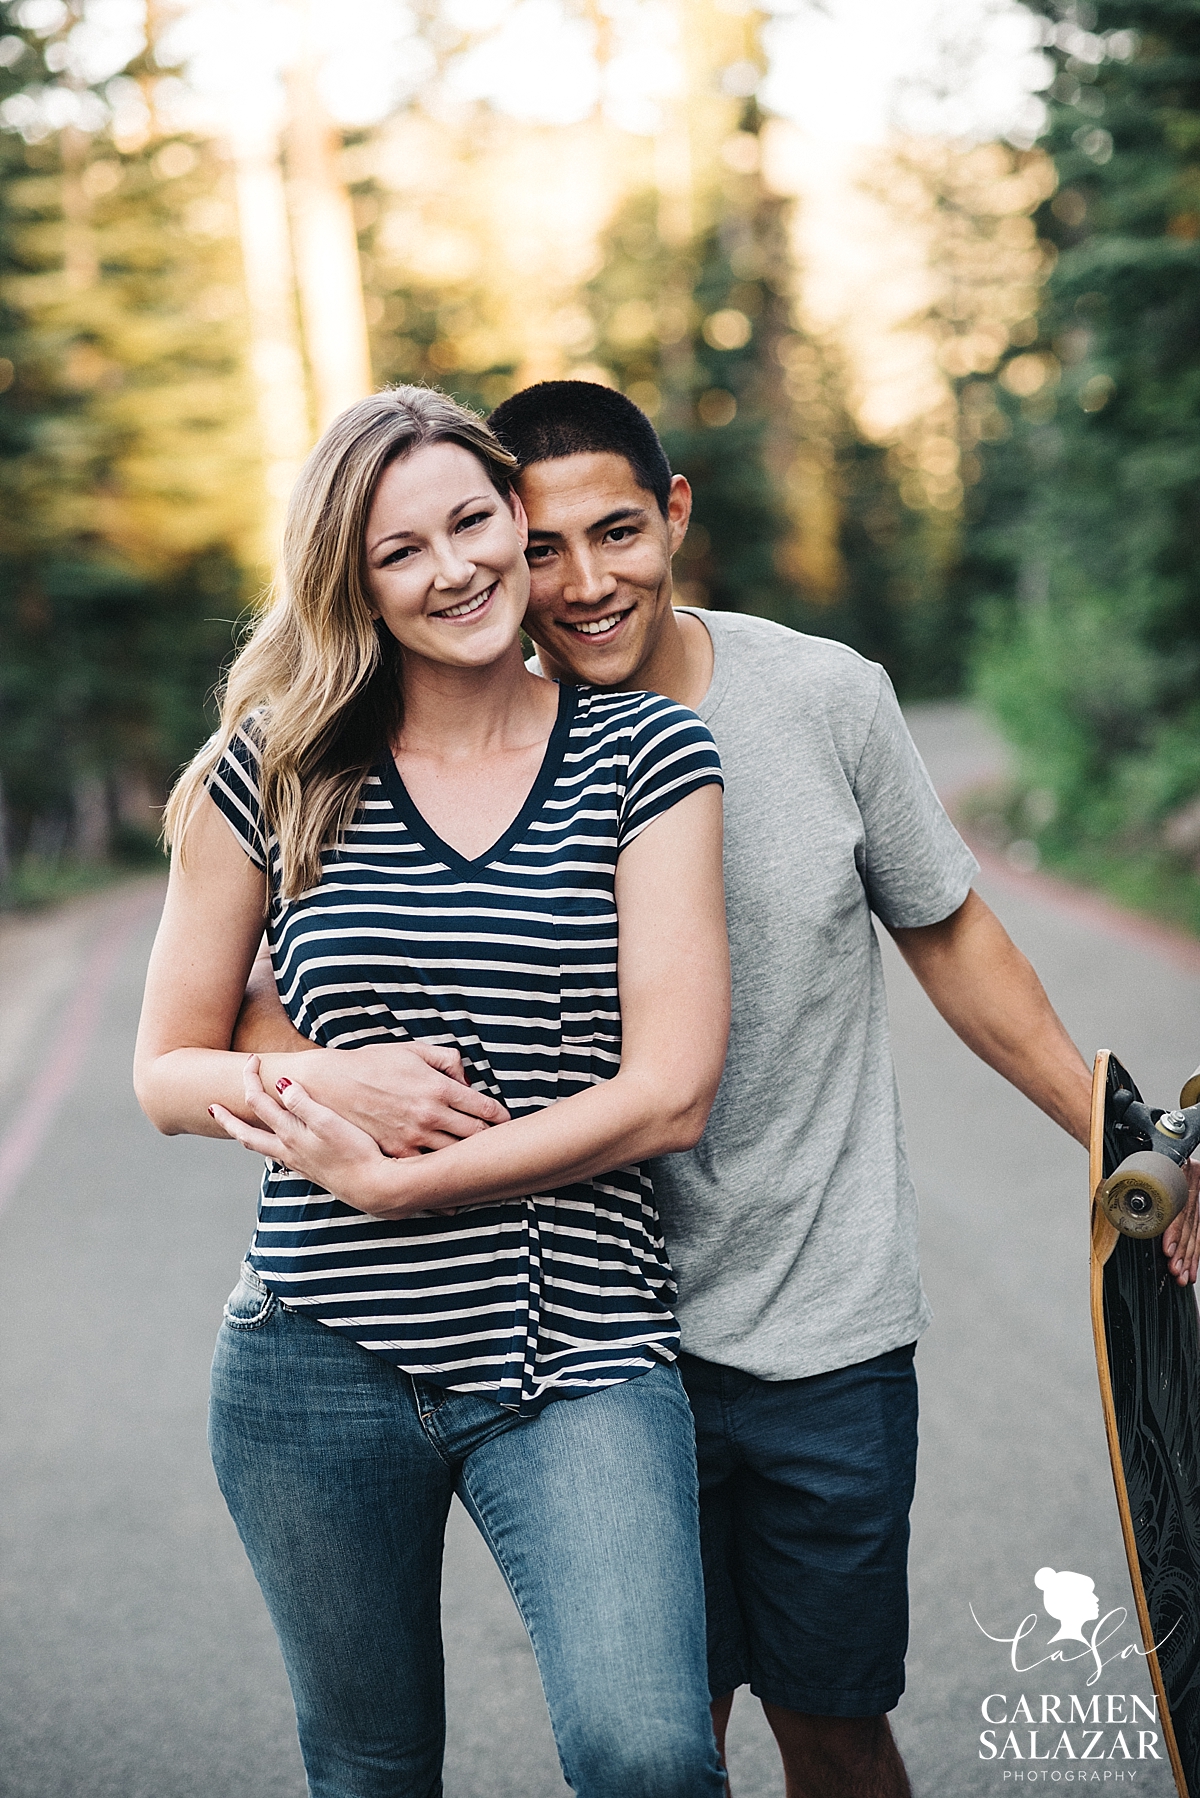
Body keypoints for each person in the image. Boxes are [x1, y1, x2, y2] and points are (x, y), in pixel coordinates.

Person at [234, 380, 1200, 1798]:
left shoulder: (820, 697)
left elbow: (954, 939)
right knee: (663, 1735)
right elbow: (290, 972)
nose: (581, 583)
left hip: (823, 1326)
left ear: (675, 511)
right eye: (542, 544)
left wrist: (1129, 1154)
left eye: (616, 531)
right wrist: (336, 1085)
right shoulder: (473, 714)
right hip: (593, 1341)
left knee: (833, 1720)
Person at [133, 385, 732, 1798]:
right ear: (354, 579)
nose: (454, 567)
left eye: (474, 521)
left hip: (577, 1346)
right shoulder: (270, 769)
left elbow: (669, 1094)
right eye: (402, 549)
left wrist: (412, 1176)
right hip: (311, 1355)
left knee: (648, 1750)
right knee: (369, 1764)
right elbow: (165, 1070)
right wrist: (327, 1078)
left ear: (519, 524)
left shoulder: (647, 755)